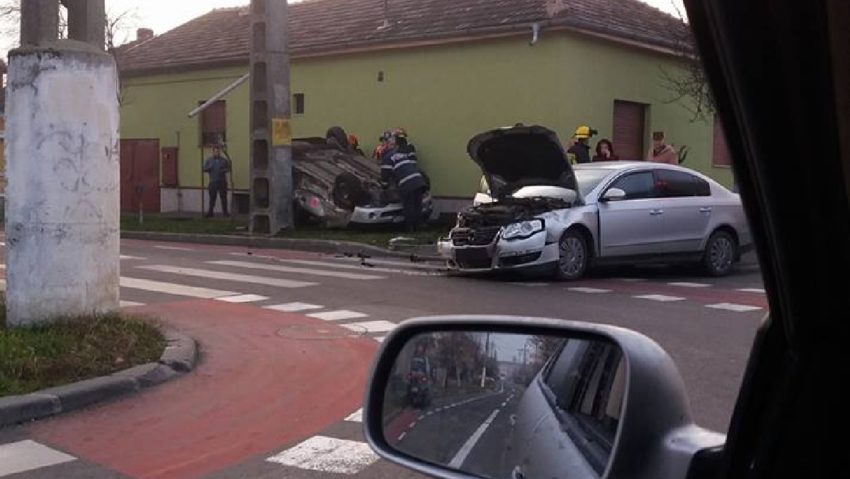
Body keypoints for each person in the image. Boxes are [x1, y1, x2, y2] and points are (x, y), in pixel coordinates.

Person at [381, 130, 427, 232]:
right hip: (419, 180)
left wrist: (384, 187)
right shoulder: (401, 155)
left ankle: (409, 228)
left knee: (408, 206)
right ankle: (418, 226)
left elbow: (385, 176)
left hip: (408, 184)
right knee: (417, 205)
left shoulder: (387, 158)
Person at [203, 145, 231, 217]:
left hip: (222, 181)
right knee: (212, 198)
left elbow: (229, 168)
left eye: (218, 152)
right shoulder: (209, 160)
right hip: (213, 182)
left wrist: (223, 170)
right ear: (213, 152)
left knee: (223, 198)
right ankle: (210, 212)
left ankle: (225, 212)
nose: (217, 153)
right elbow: (204, 169)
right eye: (215, 152)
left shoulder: (224, 160)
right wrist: (209, 168)